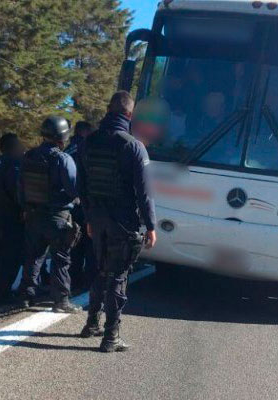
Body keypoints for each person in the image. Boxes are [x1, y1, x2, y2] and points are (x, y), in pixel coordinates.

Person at [80, 91, 157, 352]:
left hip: (97, 220)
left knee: (100, 270)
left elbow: (83, 185)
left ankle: (91, 324)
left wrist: (89, 217)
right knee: (118, 276)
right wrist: (151, 226)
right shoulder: (134, 146)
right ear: (129, 115)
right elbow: (144, 193)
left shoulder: (88, 142)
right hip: (123, 222)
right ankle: (111, 337)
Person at [20, 116, 83, 313]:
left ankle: (26, 296)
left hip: (33, 215)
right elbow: (74, 189)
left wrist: (25, 208)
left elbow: (20, 187)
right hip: (58, 217)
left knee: (33, 257)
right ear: (63, 137)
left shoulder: (28, 156)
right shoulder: (63, 159)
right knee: (61, 260)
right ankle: (61, 301)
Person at [0, 133, 26, 304]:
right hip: (11, 217)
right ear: (13, 147)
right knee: (11, 255)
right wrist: (23, 208)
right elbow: (16, 190)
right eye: (19, 146)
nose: (22, 149)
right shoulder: (13, 164)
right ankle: (4, 293)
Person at [65, 121, 96, 291]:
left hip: (69, 206)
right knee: (90, 245)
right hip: (85, 204)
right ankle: (89, 281)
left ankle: (74, 279)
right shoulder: (87, 150)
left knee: (74, 245)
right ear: (85, 132)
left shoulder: (66, 150)